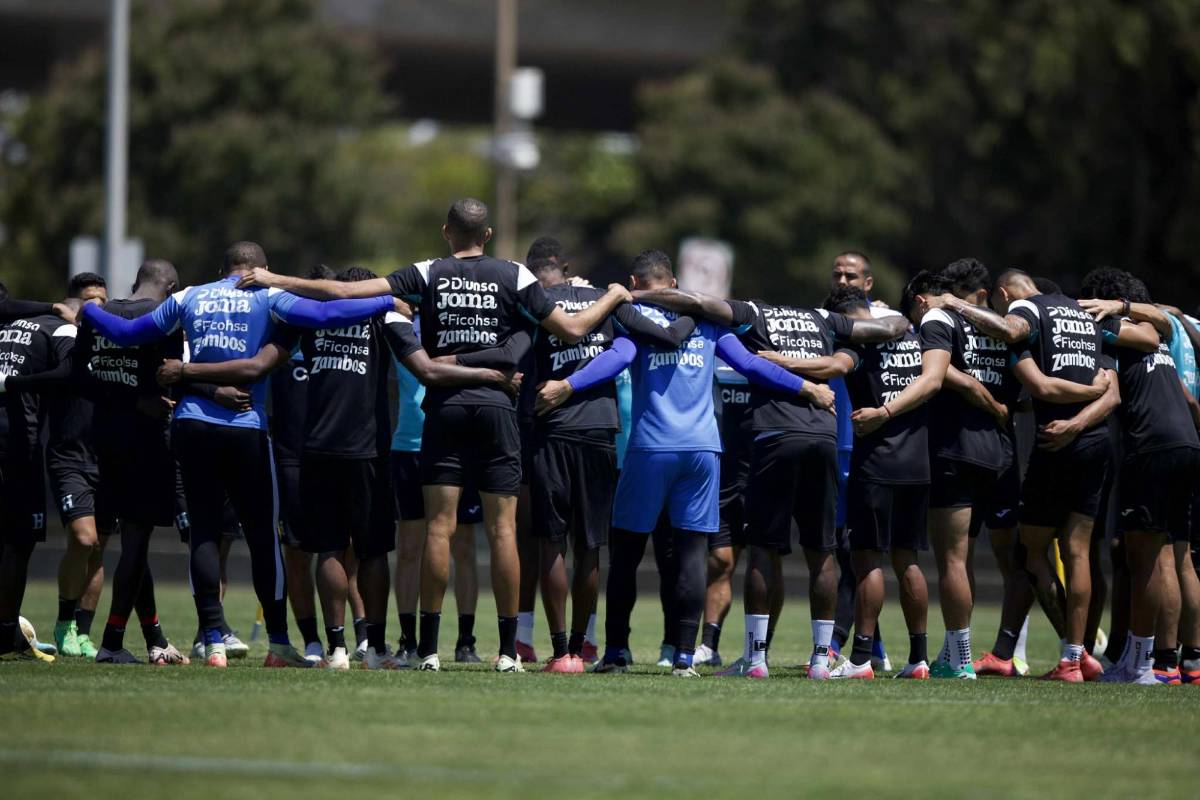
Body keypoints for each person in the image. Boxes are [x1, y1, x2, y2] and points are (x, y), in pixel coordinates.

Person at [234, 199, 629, 672]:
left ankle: (430, 651)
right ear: (487, 235)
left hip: (445, 409)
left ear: (446, 231)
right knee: (503, 530)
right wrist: (614, 295)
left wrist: (276, 279)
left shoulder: (428, 272)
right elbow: (573, 329)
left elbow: (342, 291)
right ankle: (508, 652)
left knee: (438, 529)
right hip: (497, 408)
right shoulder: (515, 275)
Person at [81, 241, 399, 668]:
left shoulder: (189, 296)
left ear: (221, 269)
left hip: (191, 424)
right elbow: (327, 315)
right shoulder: (268, 295)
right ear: (261, 269)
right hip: (246, 426)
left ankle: (213, 640)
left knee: (205, 533)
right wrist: (387, 301)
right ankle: (279, 643)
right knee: (263, 536)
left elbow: (127, 333)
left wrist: (90, 311)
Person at [551, 251, 837, 677]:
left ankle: (616, 652)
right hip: (703, 450)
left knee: (626, 554)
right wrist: (807, 388)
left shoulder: (632, 317)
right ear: (674, 283)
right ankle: (685, 656)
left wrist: (568, 385)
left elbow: (616, 359)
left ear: (634, 282)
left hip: (650, 448)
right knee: (690, 554)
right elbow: (751, 365)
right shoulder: (707, 321)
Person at [665, 287, 908, 680]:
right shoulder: (824, 319)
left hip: (775, 435)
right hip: (824, 436)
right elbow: (893, 327)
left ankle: (755, 660)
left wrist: (641, 296)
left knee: (762, 550)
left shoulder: (754, 315)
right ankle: (820, 661)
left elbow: (698, 303)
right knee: (822, 552)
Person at [937, 268, 1120, 681]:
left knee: (1029, 552)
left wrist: (956, 304)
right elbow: (1111, 394)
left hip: (1056, 443)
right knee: (1078, 552)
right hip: (1097, 441)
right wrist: (1083, 416)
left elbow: (1032, 369)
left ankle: (1065, 656)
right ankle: (1075, 655)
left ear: (1004, 294)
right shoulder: (1084, 316)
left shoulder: (1028, 309)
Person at [526, 237, 699, 672]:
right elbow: (633, 347)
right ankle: (580, 648)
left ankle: (559, 651)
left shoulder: (532, 301)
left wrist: (554, 386)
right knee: (590, 545)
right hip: (600, 430)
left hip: (550, 428)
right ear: (566, 268)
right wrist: (694, 313)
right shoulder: (605, 300)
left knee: (552, 544)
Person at [861, 270, 1010, 679]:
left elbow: (934, 377)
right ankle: (955, 651)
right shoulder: (989, 326)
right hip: (996, 450)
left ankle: (960, 659)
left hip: (954, 448)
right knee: (970, 558)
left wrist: (885, 412)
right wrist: (996, 405)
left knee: (953, 560)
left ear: (921, 301)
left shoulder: (936, 318)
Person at [1077, 269, 1200, 684]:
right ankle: (1180, 662)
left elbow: (1112, 387)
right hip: (1185, 443)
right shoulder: (1158, 333)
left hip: (1152, 446)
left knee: (1146, 559)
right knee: (1175, 555)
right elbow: (1163, 323)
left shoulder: (1119, 330)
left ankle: (1146, 664)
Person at [76, 260, 191, 664]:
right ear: (172, 287)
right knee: (136, 543)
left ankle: (155, 638)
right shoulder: (166, 316)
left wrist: (123, 399)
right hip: (147, 442)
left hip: (104, 440)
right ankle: (111, 643)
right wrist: (140, 401)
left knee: (132, 545)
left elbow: (79, 377)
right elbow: (171, 378)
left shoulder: (100, 314)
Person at [814, 286, 932, 679]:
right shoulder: (912, 337)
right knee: (908, 559)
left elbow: (834, 367)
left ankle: (862, 659)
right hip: (918, 463)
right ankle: (918, 659)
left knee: (866, 561)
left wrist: (779, 361)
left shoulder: (856, 342)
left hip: (877, 463)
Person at [0, 298, 81, 661]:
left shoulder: (10, 325)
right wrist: (19, 383)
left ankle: (8, 631)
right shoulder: (61, 328)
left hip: (16, 441)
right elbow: (70, 372)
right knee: (19, 541)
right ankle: (6, 635)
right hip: (20, 445)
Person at [46, 273, 110, 660]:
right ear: (73, 305)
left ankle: (83, 633)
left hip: (106, 457)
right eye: (90, 301)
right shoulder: (62, 338)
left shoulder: (114, 341)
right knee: (83, 539)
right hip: (69, 455)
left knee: (98, 548)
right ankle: (63, 622)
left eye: (103, 300)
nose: (98, 307)